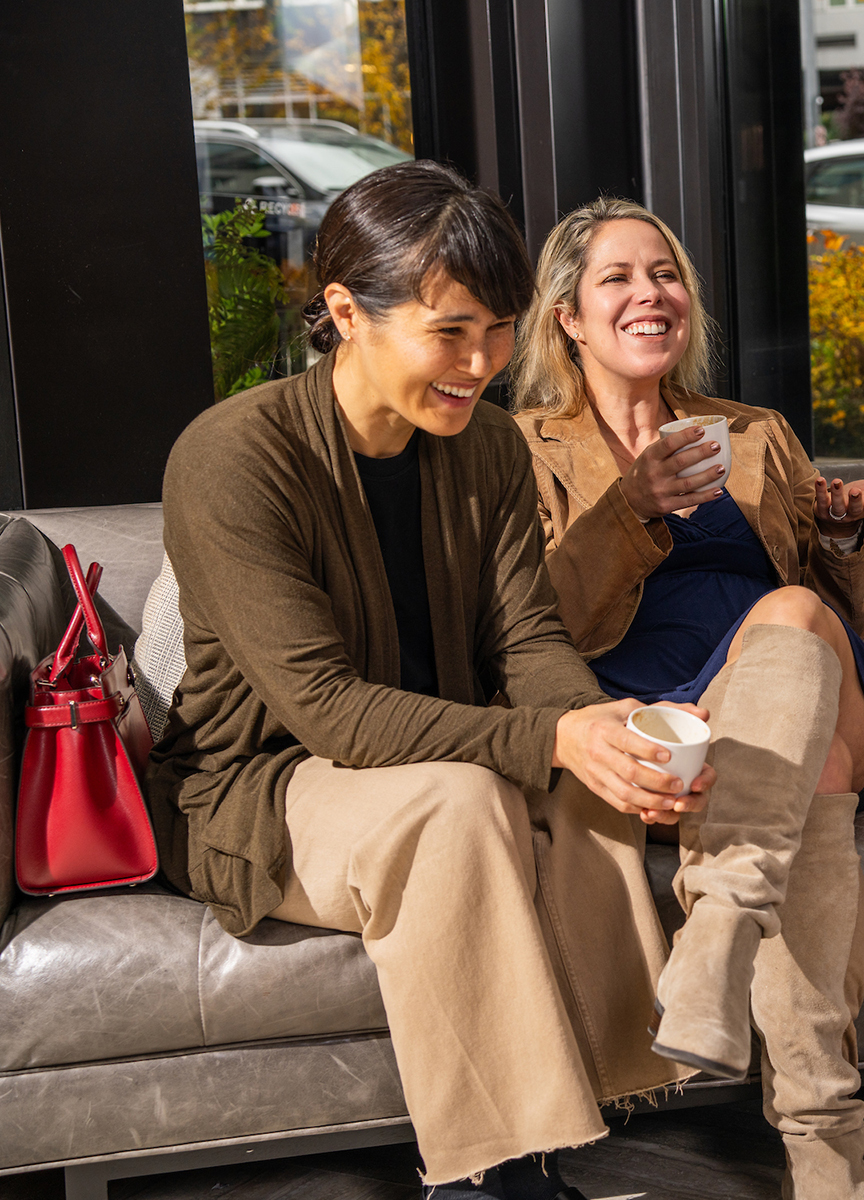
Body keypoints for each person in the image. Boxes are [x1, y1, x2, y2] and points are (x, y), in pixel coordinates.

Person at [150, 162, 713, 1200]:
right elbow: (327, 712)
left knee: (590, 771)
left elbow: (526, 638)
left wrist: (598, 726)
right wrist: (549, 739)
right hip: (260, 787)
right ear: (344, 314)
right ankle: (494, 1177)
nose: (482, 365)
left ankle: (597, 1100)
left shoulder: (487, 446)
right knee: (463, 803)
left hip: (435, 761)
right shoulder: (233, 457)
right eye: (449, 332)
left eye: (498, 331)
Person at [510, 197, 864, 1199]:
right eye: (618, 278)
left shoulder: (755, 433)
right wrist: (631, 508)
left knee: (796, 611)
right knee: (813, 781)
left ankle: (717, 931)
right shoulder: (522, 452)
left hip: (806, 677)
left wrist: (841, 534)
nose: (651, 293)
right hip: (665, 723)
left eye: (665, 273)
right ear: (567, 317)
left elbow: (847, 611)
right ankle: (826, 1153)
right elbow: (539, 624)